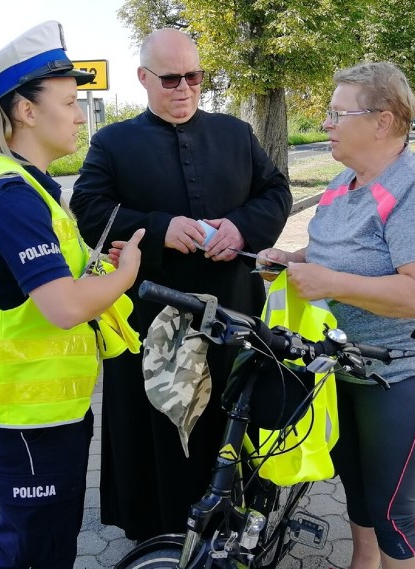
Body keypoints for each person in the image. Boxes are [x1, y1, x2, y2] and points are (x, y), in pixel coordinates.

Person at [69, 28, 292, 541]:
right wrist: (159, 226)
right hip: (152, 314)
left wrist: (244, 227)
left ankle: (234, 521)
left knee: (231, 416)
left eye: (194, 77)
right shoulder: (114, 142)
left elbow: (275, 190)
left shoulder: (235, 133)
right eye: (170, 79)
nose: (184, 89)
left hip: (233, 308)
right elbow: (89, 210)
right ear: (144, 78)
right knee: (158, 424)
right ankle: (158, 529)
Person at [0, 21, 145, 569]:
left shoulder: (29, 185)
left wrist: (92, 270)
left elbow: (47, 283)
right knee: (32, 555)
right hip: (25, 420)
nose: (80, 115)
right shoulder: (11, 197)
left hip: (44, 412)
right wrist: (123, 276)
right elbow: (62, 308)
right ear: (26, 111)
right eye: (69, 102)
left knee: (49, 548)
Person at [258, 62, 415, 569]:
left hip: (403, 367)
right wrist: (293, 261)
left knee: (392, 510)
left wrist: (332, 284)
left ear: (382, 122)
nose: (326, 123)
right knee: (357, 488)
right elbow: (330, 251)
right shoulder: (344, 179)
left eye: (336, 113)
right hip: (344, 361)